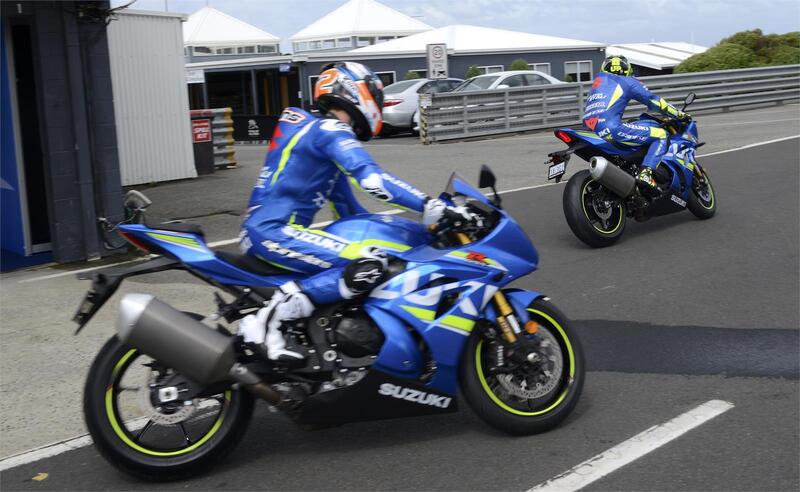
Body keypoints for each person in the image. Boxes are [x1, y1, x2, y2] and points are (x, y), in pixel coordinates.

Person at [237, 62, 474, 364]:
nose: (378, 102)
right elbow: (372, 180)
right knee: (369, 263)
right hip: (274, 232)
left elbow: (352, 215)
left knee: (373, 253)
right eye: (375, 94)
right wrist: (432, 208)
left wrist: (415, 232)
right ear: (352, 89)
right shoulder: (329, 129)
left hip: (271, 231)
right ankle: (267, 320)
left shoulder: (315, 135)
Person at [582, 55, 690, 189]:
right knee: (661, 135)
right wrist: (679, 114)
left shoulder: (597, 85)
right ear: (627, 70)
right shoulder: (628, 81)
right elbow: (653, 101)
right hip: (611, 129)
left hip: (589, 130)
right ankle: (646, 173)